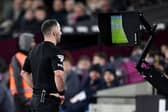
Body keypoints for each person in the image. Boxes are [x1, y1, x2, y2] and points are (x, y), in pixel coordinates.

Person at [21, 19, 65, 112]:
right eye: (60, 29)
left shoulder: (33, 50)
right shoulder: (55, 50)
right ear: (54, 32)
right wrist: (61, 93)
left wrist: (37, 90)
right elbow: (58, 74)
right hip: (47, 102)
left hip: (34, 100)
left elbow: (24, 73)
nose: (61, 33)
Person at [9, 33, 35, 112]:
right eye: (32, 41)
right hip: (21, 99)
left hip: (30, 98)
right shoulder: (17, 58)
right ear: (27, 43)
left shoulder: (30, 57)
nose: (34, 44)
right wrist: (24, 99)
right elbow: (18, 80)